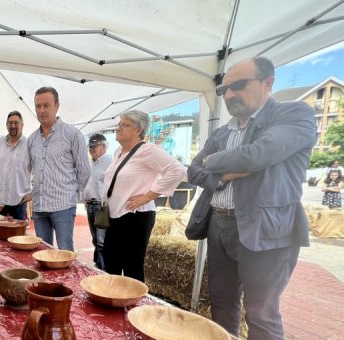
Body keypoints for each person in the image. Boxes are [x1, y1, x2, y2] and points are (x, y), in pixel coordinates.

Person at [187, 57, 316, 339]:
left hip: (267, 228)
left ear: (267, 83)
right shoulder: (223, 131)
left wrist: (211, 159)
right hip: (219, 225)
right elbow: (192, 171)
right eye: (224, 90)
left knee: (261, 314)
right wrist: (222, 175)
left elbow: (259, 154)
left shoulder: (294, 114)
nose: (230, 94)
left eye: (239, 85)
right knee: (221, 305)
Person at [102, 111, 185, 281]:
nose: (118, 128)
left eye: (124, 125)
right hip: (115, 215)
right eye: (119, 124)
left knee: (132, 267)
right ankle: (113, 302)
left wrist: (148, 196)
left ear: (138, 130)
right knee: (111, 265)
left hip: (135, 216)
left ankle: (134, 306)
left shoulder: (148, 150)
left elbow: (177, 170)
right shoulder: (119, 151)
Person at [28, 87, 91, 250]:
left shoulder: (72, 135)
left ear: (57, 106)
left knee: (65, 250)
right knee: (42, 251)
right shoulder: (32, 139)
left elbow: (84, 171)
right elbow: (31, 169)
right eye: (38, 106)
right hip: (39, 206)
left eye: (46, 105)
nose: (41, 110)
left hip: (62, 205)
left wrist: (71, 193)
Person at [0, 111, 32, 220]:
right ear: (6, 125)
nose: (13, 126)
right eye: (10, 123)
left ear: (22, 125)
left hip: (19, 201)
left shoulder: (29, 144)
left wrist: (32, 194)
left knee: (18, 235)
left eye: (16, 123)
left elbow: (39, 170)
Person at [81, 133, 112, 269]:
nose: (91, 149)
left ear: (103, 146)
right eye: (90, 147)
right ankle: (99, 265)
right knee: (96, 239)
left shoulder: (109, 162)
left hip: (100, 205)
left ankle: (103, 269)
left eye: (95, 146)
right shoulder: (92, 163)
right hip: (91, 204)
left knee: (101, 241)